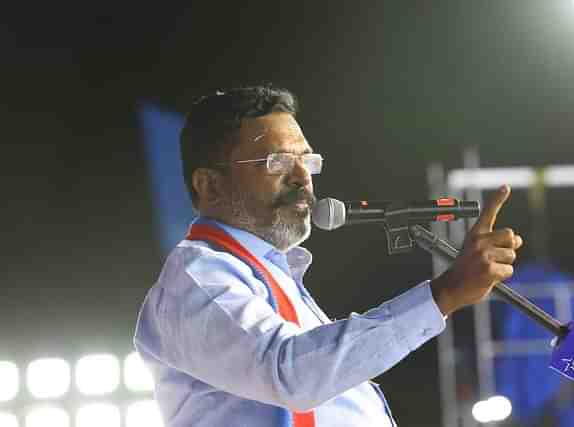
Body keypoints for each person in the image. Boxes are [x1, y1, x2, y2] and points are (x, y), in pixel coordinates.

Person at [134, 85, 523, 427]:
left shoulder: (269, 276)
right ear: (210, 185)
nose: (303, 177)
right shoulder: (198, 275)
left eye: (307, 161)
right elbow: (290, 373)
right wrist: (444, 294)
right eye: (279, 162)